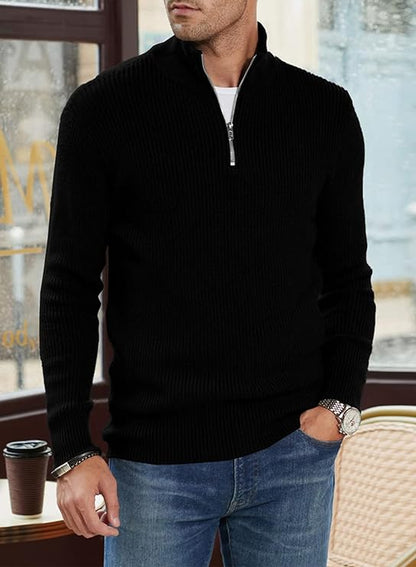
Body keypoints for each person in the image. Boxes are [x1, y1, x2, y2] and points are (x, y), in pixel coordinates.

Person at [39, 1, 376, 565]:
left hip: (292, 458)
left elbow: (347, 278)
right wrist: (73, 448)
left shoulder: (323, 110)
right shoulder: (104, 108)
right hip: (154, 467)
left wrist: (339, 405)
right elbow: (68, 288)